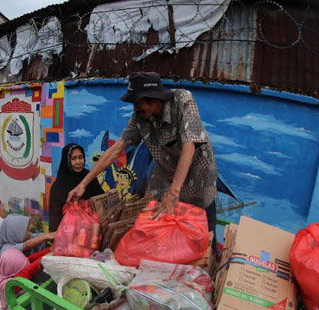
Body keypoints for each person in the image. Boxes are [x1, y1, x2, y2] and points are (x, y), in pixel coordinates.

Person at [68, 72, 218, 233]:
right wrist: (83, 183)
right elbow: (115, 150)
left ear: (153, 98)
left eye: (137, 102)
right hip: (166, 172)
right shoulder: (139, 117)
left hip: (197, 172)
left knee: (202, 226)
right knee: (154, 216)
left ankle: (209, 254)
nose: (135, 108)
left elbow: (189, 145)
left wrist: (174, 193)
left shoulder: (182, 100)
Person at [49, 143, 104, 232]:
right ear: (67, 161)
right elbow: (55, 218)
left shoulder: (89, 178)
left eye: (80, 157)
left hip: (91, 231)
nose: (78, 162)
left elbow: (100, 198)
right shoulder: (59, 186)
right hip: (68, 233)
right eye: (73, 158)